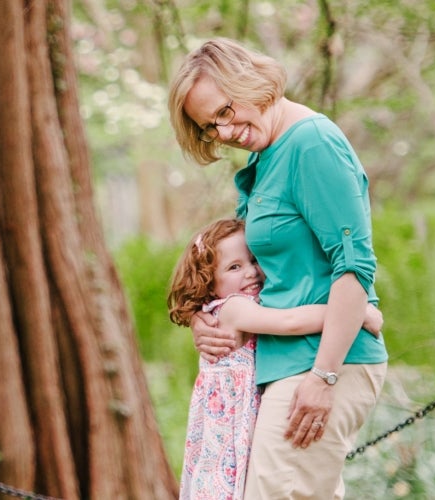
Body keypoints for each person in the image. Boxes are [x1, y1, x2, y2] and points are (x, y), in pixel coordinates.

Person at [168, 38, 390, 499]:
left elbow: (353, 267)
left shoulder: (312, 144)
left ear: (248, 81)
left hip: (323, 362)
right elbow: (246, 265)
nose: (223, 132)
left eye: (225, 111)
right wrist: (205, 319)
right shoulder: (264, 156)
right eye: (210, 126)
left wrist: (324, 377)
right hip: (283, 362)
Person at [168, 218, 382, 500]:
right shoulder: (233, 309)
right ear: (208, 281)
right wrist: (356, 311)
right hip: (227, 434)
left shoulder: (238, 306)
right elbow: (291, 321)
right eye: (234, 267)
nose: (251, 272)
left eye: (254, 260)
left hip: (242, 423)